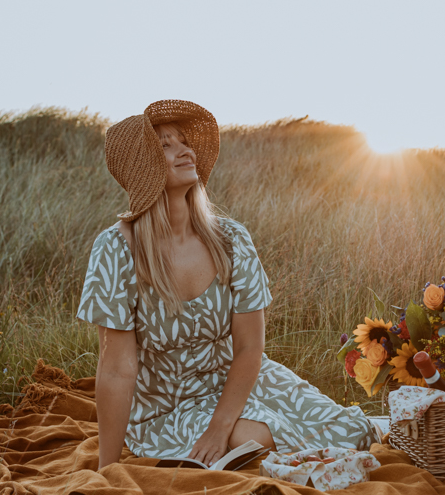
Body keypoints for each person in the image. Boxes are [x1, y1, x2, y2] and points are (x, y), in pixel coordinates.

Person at [77, 99, 377, 469]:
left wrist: (219, 427)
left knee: (352, 432)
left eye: (184, 141)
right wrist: (107, 470)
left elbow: (250, 348)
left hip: (242, 380)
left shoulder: (231, 239)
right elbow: (116, 370)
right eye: (166, 145)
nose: (185, 151)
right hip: (166, 407)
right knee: (255, 439)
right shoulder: (116, 249)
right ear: (141, 168)